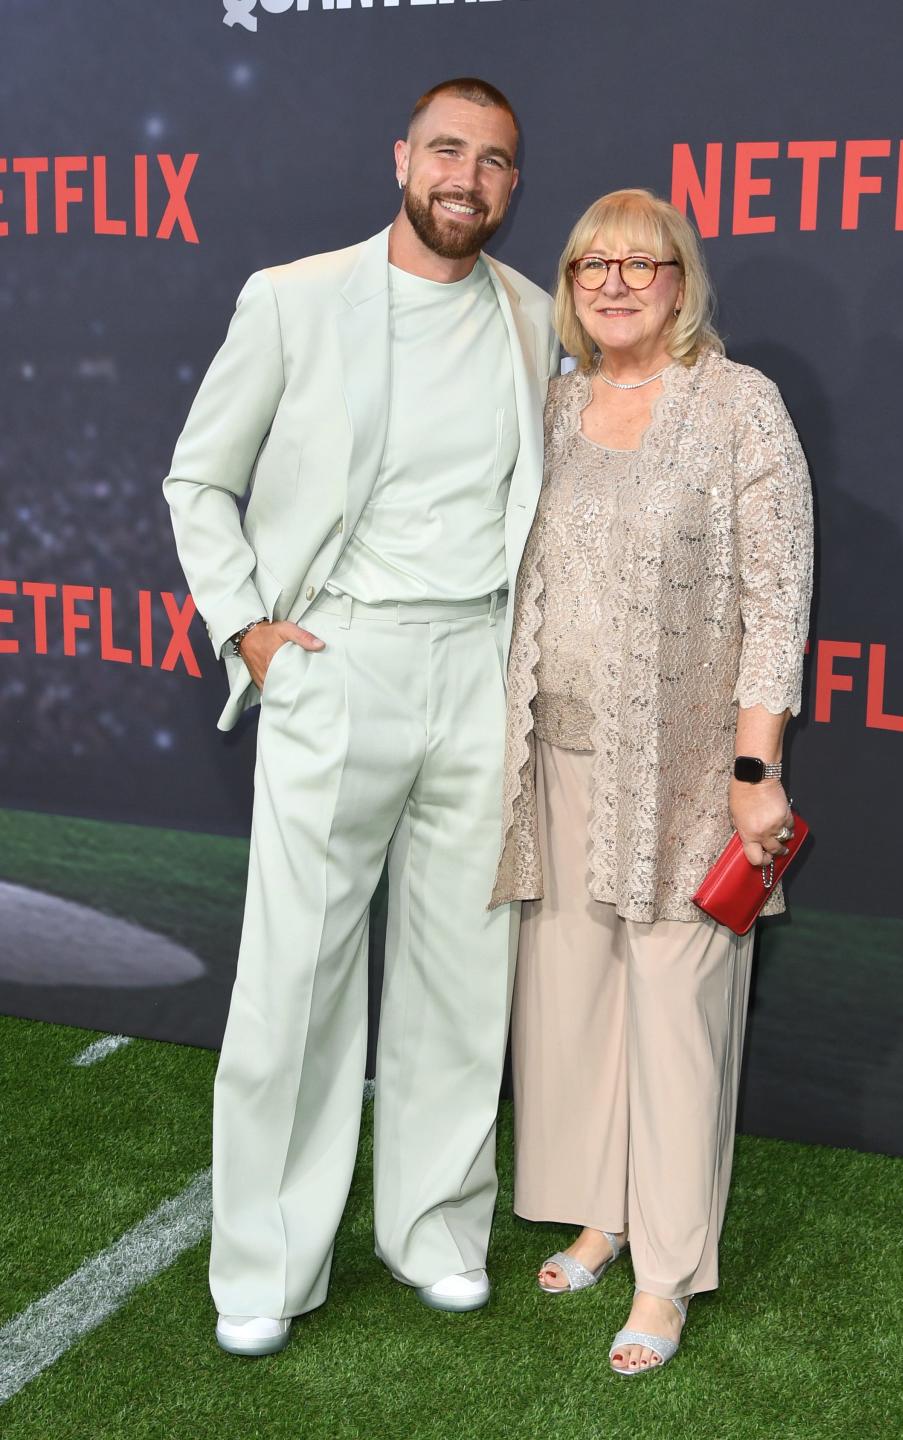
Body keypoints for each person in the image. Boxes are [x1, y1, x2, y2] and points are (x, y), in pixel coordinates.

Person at [163, 78, 558, 1356]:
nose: (468, 178)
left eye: (494, 162)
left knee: (462, 974)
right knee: (297, 977)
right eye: (448, 150)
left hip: (480, 669)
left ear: (512, 186)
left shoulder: (531, 318)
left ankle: (436, 1230)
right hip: (341, 659)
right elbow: (197, 476)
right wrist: (252, 633)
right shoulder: (292, 298)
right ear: (402, 156)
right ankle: (265, 1264)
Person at [490, 189, 813, 1376]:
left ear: (683, 282)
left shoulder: (739, 409)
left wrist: (753, 767)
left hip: (688, 779)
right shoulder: (554, 406)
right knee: (573, 1002)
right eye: (593, 266)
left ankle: (668, 1274)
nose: (617, 283)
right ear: (570, 287)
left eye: (644, 263)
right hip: (560, 760)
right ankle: (602, 1213)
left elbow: (779, 603)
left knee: (676, 1019)